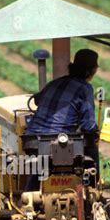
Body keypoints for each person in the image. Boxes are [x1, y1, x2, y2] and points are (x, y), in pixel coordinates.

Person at [23, 49, 99, 188]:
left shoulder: (54, 83)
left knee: (38, 167)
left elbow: (37, 100)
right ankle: (93, 189)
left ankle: (30, 196)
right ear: (91, 71)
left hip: (32, 140)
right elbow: (88, 125)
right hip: (60, 143)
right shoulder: (85, 88)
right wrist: (96, 131)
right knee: (92, 152)